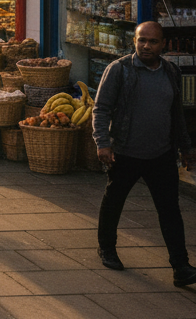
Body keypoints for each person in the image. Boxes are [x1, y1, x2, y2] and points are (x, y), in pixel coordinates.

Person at [93, 21, 196, 286]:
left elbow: (177, 114)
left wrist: (186, 147)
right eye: (141, 40)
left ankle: (181, 267)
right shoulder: (119, 69)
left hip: (161, 154)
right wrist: (102, 142)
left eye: (152, 41)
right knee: (114, 201)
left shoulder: (171, 71)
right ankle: (107, 249)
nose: (146, 46)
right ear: (134, 41)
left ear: (164, 45)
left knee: (170, 210)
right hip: (126, 151)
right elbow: (101, 108)